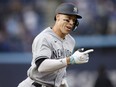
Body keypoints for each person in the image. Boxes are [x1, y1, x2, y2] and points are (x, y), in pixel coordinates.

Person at [17, 3, 94, 87]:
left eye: (74, 20)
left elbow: (60, 67)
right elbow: (42, 66)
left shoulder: (71, 41)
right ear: (58, 17)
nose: (71, 23)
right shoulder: (44, 37)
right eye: (67, 19)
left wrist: (62, 80)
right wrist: (70, 60)